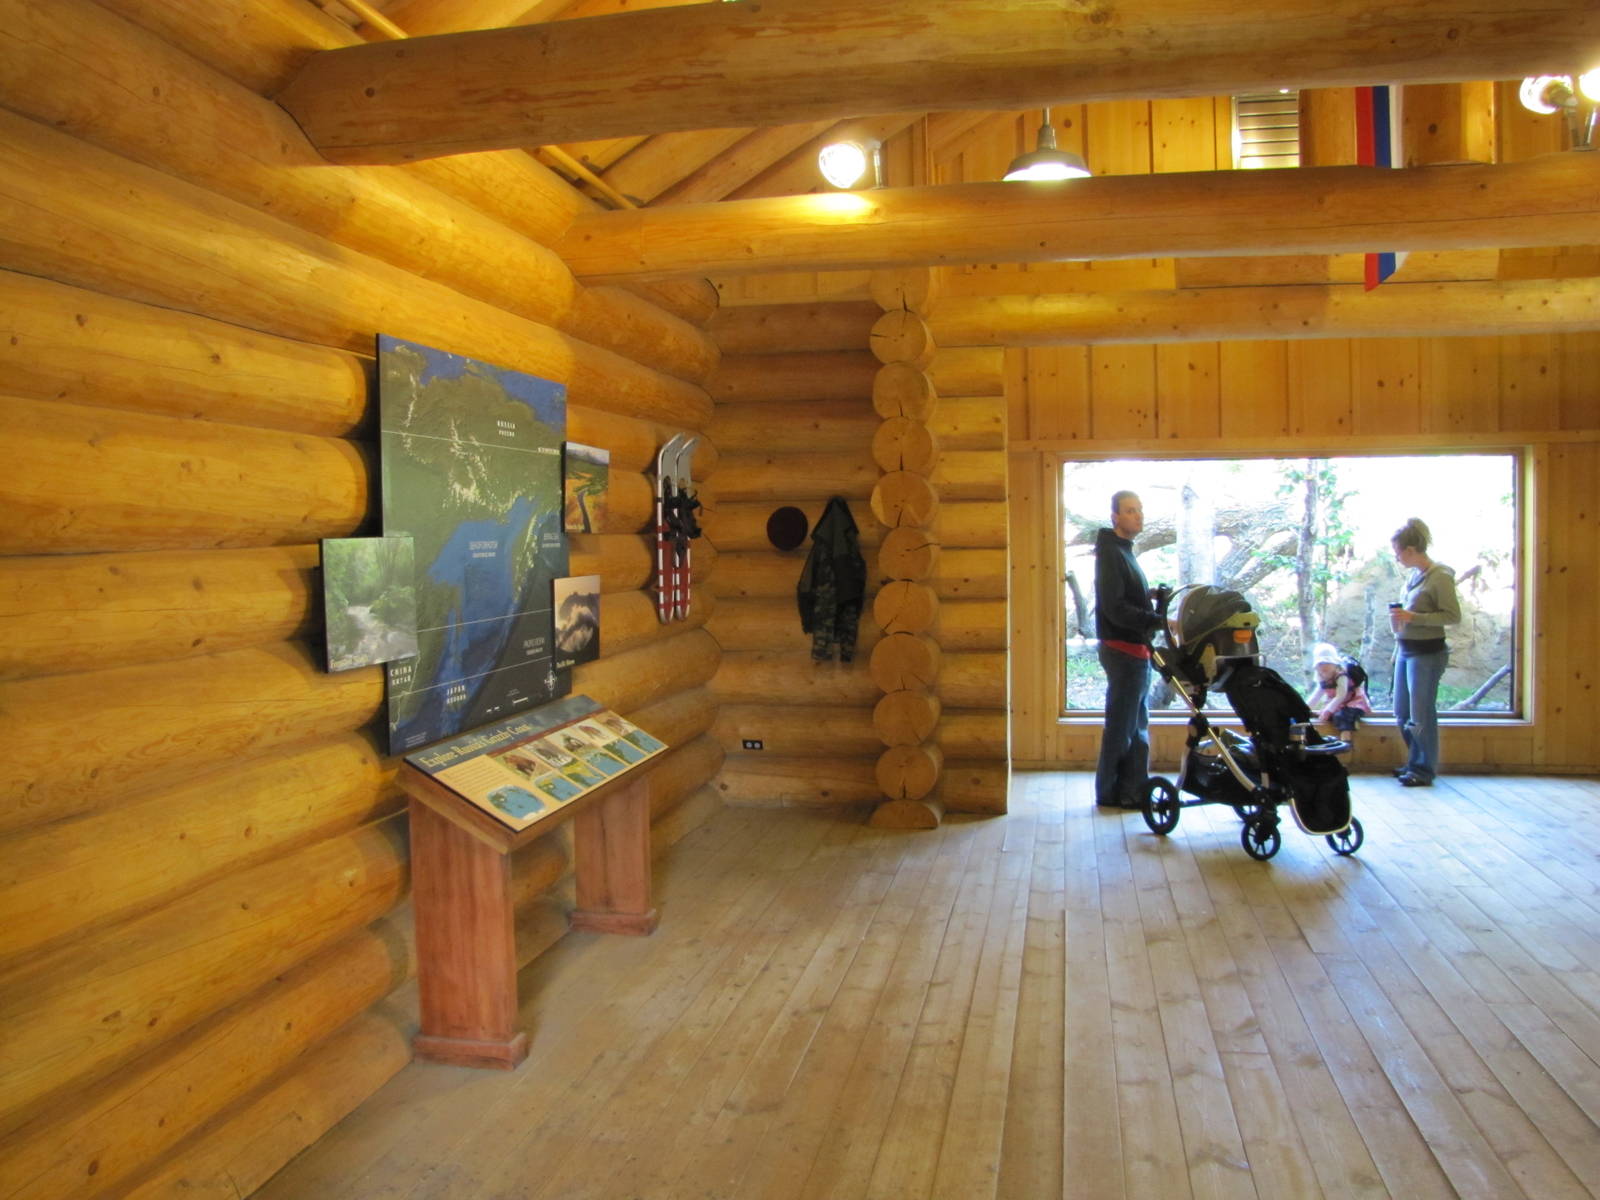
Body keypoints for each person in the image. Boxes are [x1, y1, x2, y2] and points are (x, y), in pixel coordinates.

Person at [1093, 490, 1165, 809]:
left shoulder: (1123, 550)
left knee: (1135, 727)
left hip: (1134, 651)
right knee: (1123, 728)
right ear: (1115, 518)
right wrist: (1158, 620)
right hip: (1123, 651)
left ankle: (1131, 790)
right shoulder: (1111, 552)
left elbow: (1124, 596)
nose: (1138, 515)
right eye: (1130, 510)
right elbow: (1114, 608)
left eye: (1140, 509)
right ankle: (1109, 793)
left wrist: (1147, 596)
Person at [1389, 518, 1460, 787]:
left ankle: (1423, 768)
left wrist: (1413, 617)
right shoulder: (1412, 578)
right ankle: (1413, 760)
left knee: (1421, 714)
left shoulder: (1440, 576)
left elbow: (1452, 616)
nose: (1397, 558)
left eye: (1398, 553)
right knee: (1402, 712)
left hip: (1427, 654)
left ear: (1410, 550)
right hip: (1406, 650)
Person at [1305, 642, 1373, 736]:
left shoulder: (1341, 675)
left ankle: (1346, 740)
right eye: (1320, 665)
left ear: (1334, 664)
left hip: (1352, 702)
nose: (1323, 669)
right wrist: (1304, 708)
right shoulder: (1322, 676)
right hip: (1339, 705)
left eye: (1326, 665)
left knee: (1341, 717)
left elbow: (1341, 695)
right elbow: (1316, 695)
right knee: (1329, 717)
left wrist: (1328, 710)